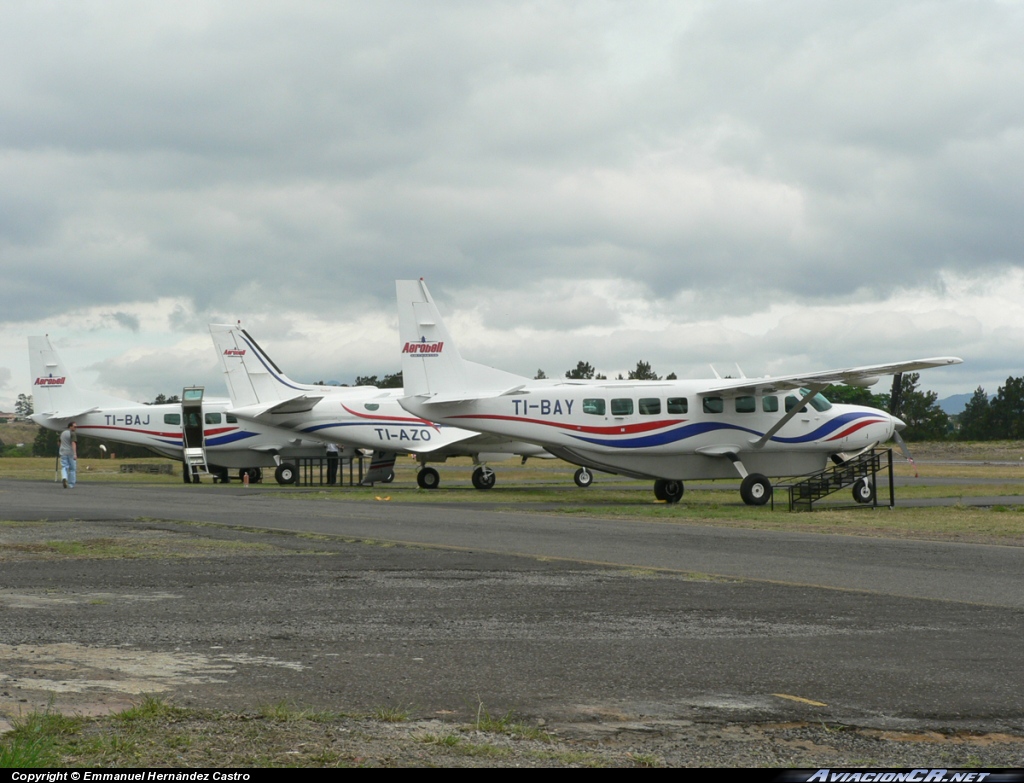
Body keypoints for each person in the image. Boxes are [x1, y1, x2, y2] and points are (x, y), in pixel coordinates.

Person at [59, 421, 78, 489]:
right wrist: (75, 453)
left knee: (64, 466)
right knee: (72, 468)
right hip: (70, 452)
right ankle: (71, 484)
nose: (75, 428)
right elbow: (73, 443)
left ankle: (64, 477)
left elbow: (59, 442)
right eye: (74, 426)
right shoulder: (72, 433)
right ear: (70, 427)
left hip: (63, 452)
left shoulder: (63, 433)